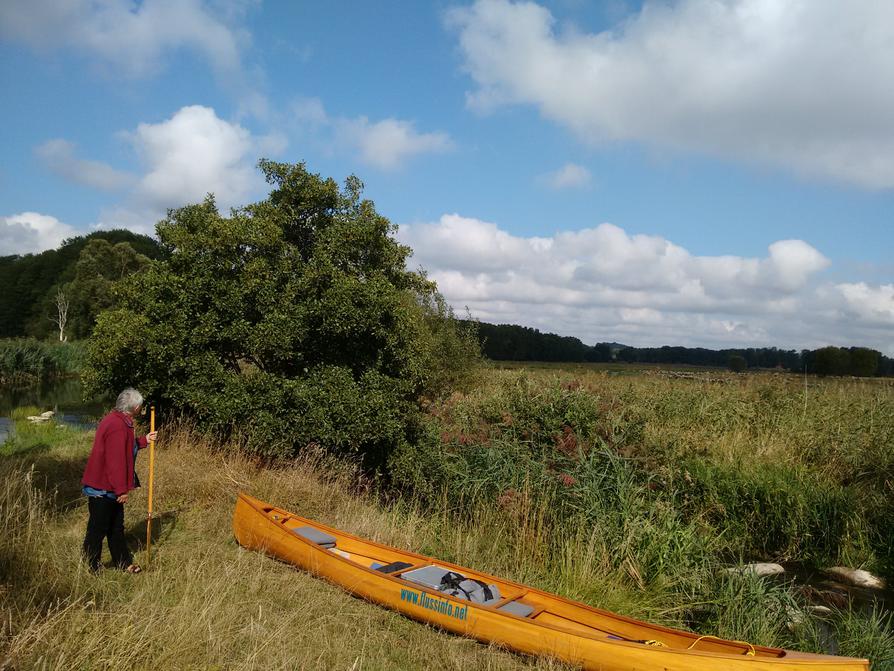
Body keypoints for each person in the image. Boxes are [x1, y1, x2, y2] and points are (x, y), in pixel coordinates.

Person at [81, 387, 158, 573]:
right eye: (140, 405)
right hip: (103, 487)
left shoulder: (119, 420)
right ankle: (92, 566)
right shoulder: (117, 424)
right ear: (135, 407)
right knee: (98, 529)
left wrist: (144, 440)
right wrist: (121, 489)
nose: (141, 408)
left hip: (109, 486)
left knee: (116, 527)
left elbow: (125, 447)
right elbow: (115, 461)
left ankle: (123, 562)